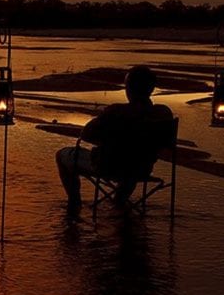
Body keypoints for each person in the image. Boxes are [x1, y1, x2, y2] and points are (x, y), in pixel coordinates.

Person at [55, 65, 173, 212]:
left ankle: (74, 204)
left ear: (129, 88)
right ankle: (119, 204)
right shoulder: (164, 113)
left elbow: (86, 134)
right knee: (132, 158)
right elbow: (167, 144)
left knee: (61, 155)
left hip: (109, 167)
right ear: (151, 88)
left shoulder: (116, 111)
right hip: (142, 168)